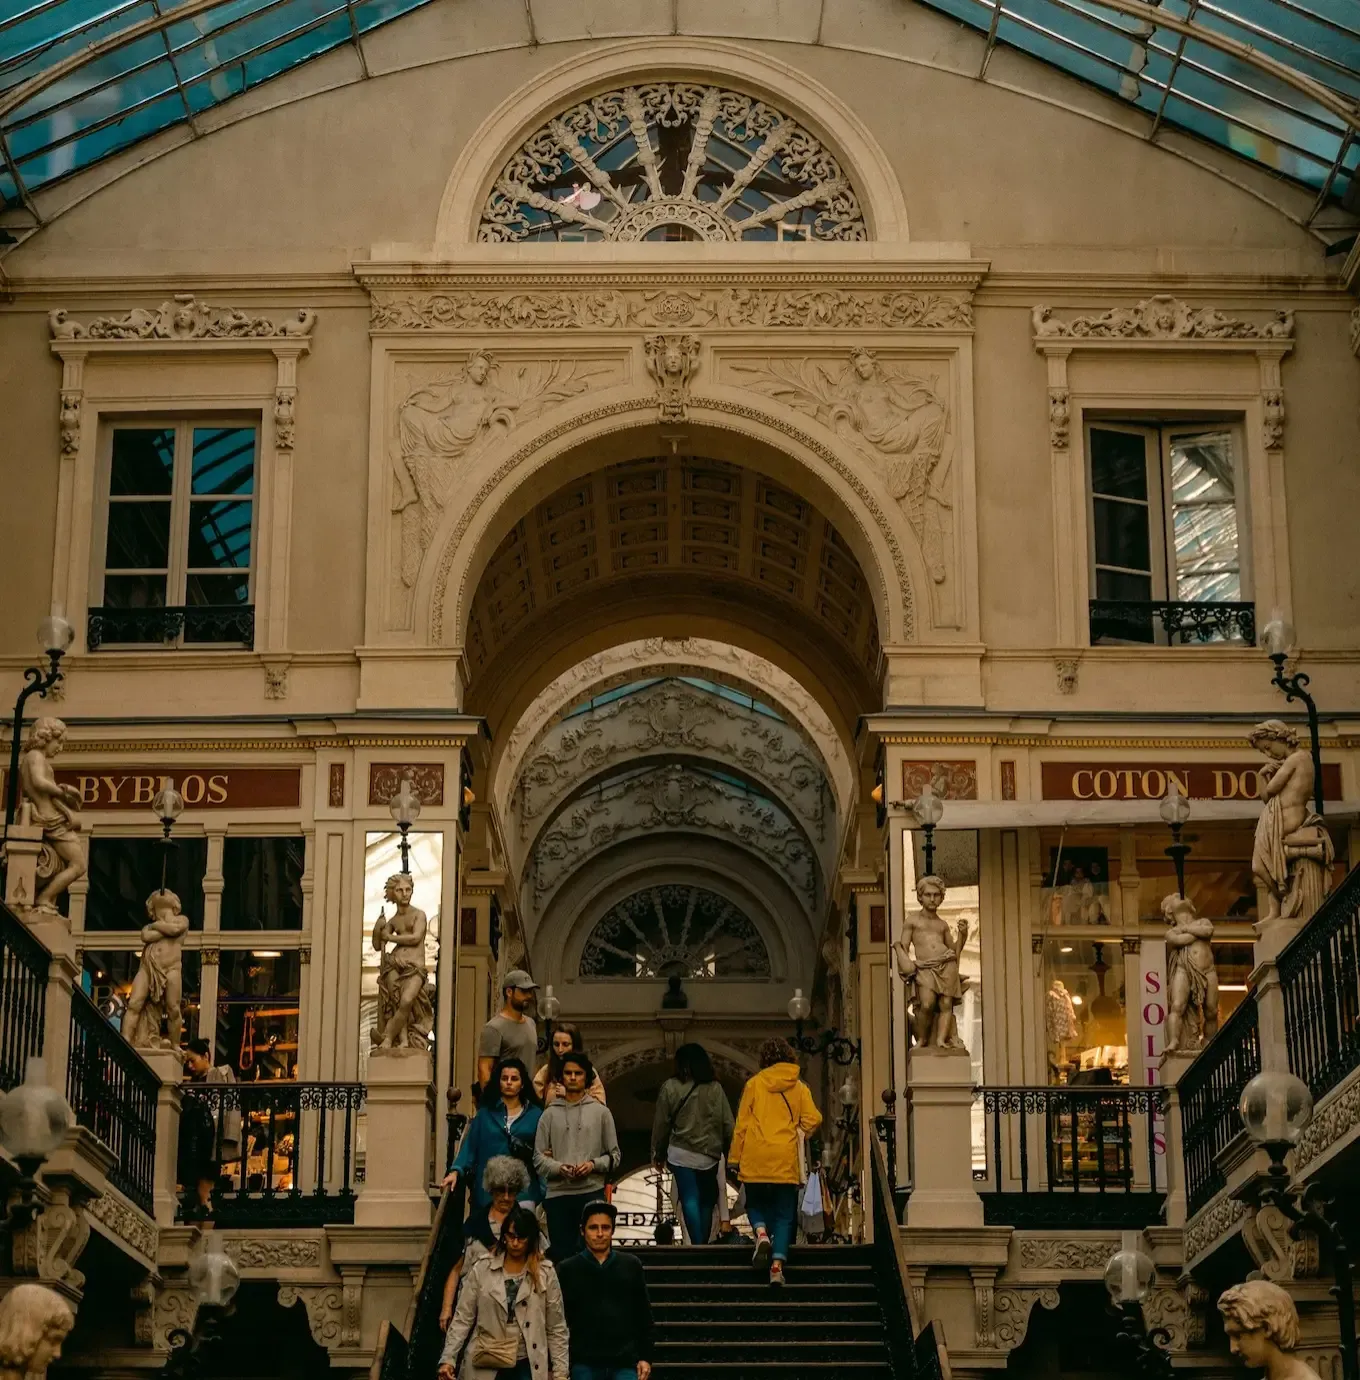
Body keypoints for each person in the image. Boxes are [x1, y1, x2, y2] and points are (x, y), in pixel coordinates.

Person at [728, 1038, 823, 1287]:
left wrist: (734, 1158)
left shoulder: (754, 1085)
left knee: (754, 1201)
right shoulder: (800, 1087)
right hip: (784, 1156)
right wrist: (797, 1132)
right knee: (784, 1214)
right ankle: (777, 1267)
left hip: (756, 1153)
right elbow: (813, 1119)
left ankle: (760, 1233)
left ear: (764, 1060)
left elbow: (742, 1126)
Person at [439, 1205, 569, 1380]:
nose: (515, 1243)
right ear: (504, 1236)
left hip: (528, 1362)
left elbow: (556, 1327)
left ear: (530, 1239)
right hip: (485, 1360)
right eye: (510, 1236)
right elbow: (463, 1318)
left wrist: (561, 1373)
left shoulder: (545, 1273)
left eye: (521, 1238)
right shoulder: (482, 1268)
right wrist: (448, 1359)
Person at [441, 1157, 551, 1330]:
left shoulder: (528, 1224)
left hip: (518, 1314)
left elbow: (543, 1266)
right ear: (491, 1190)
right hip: (476, 1311)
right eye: (501, 1191)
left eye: (512, 1191)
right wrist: (446, 1308)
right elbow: (456, 1269)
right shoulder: (474, 1224)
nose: (506, 1197)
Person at [535, 1052, 620, 1262]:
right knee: (561, 1257)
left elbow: (615, 1156)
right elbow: (538, 1158)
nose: (572, 1077)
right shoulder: (548, 1115)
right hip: (558, 1195)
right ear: (561, 1077)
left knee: (591, 1255)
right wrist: (558, 1168)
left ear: (587, 1078)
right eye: (568, 1073)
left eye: (578, 1073)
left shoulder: (601, 1113)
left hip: (591, 1192)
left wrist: (593, 1164)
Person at [558, 1200, 654, 1380]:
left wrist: (645, 1357)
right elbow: (558, 1320)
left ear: (612, 1230)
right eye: (593, 1228)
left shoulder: (631, 1265)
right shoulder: (567, 1269)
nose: (600, 1234)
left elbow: (643, 1314)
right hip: (583, 1363)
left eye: (605, 1227)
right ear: (582, 1230)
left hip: (624, 1362)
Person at [650, 1043, 733, 1245]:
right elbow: (728, 1123)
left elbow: (661, 1123)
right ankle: (701, 1242)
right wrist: (732, 1152)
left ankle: (697, 1244)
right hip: (709, 1154)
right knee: (706, 1200)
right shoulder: (716, 1088)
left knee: (689, 1196)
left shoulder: (670, 1087)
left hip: (680, 1152)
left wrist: (657, 1153)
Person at [443, 1059, 544, 1208]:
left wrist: (543, 1192)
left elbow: (543, 1155)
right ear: (498, 1082)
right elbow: (469, 1149)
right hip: (488, 1192)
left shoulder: (536, 1115)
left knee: (520, 1230)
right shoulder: (484, 1115)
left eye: (514, 1079)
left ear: (522, 1084)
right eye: (504, 1078)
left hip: (524, 1193)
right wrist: (455, 1172)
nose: (509, 1082)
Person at [177, 1040, 241, 1217]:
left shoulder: (220, 1074)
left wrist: (229, 1137)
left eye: (192, 1060)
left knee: (207, 1177)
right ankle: (202, 1207)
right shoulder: (192, 1084)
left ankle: (206, 1209)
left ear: (206, 1056)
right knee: (198, 1181)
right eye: (187, 1062)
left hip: (209, 1139)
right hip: (194, 1142)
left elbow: (230, 1107)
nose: (190, 1066)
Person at [479, 971, 540, 1098]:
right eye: (524, 991)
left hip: (527, 1099)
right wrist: (492, 1103)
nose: (529, 996)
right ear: (509, 992)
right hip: (505, 1099)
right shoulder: (494, 1028)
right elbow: (484, 1068)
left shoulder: (531, 1024)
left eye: (530, 991)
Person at [534, 1024, 606, 1106]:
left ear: (575, 1045)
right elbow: (533, 1102)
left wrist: (571, 1095)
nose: (560, 1050)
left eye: (565, 1044)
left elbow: (600, 1104)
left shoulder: (588, 1070)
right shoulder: (546, 1070)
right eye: (556, 1044)